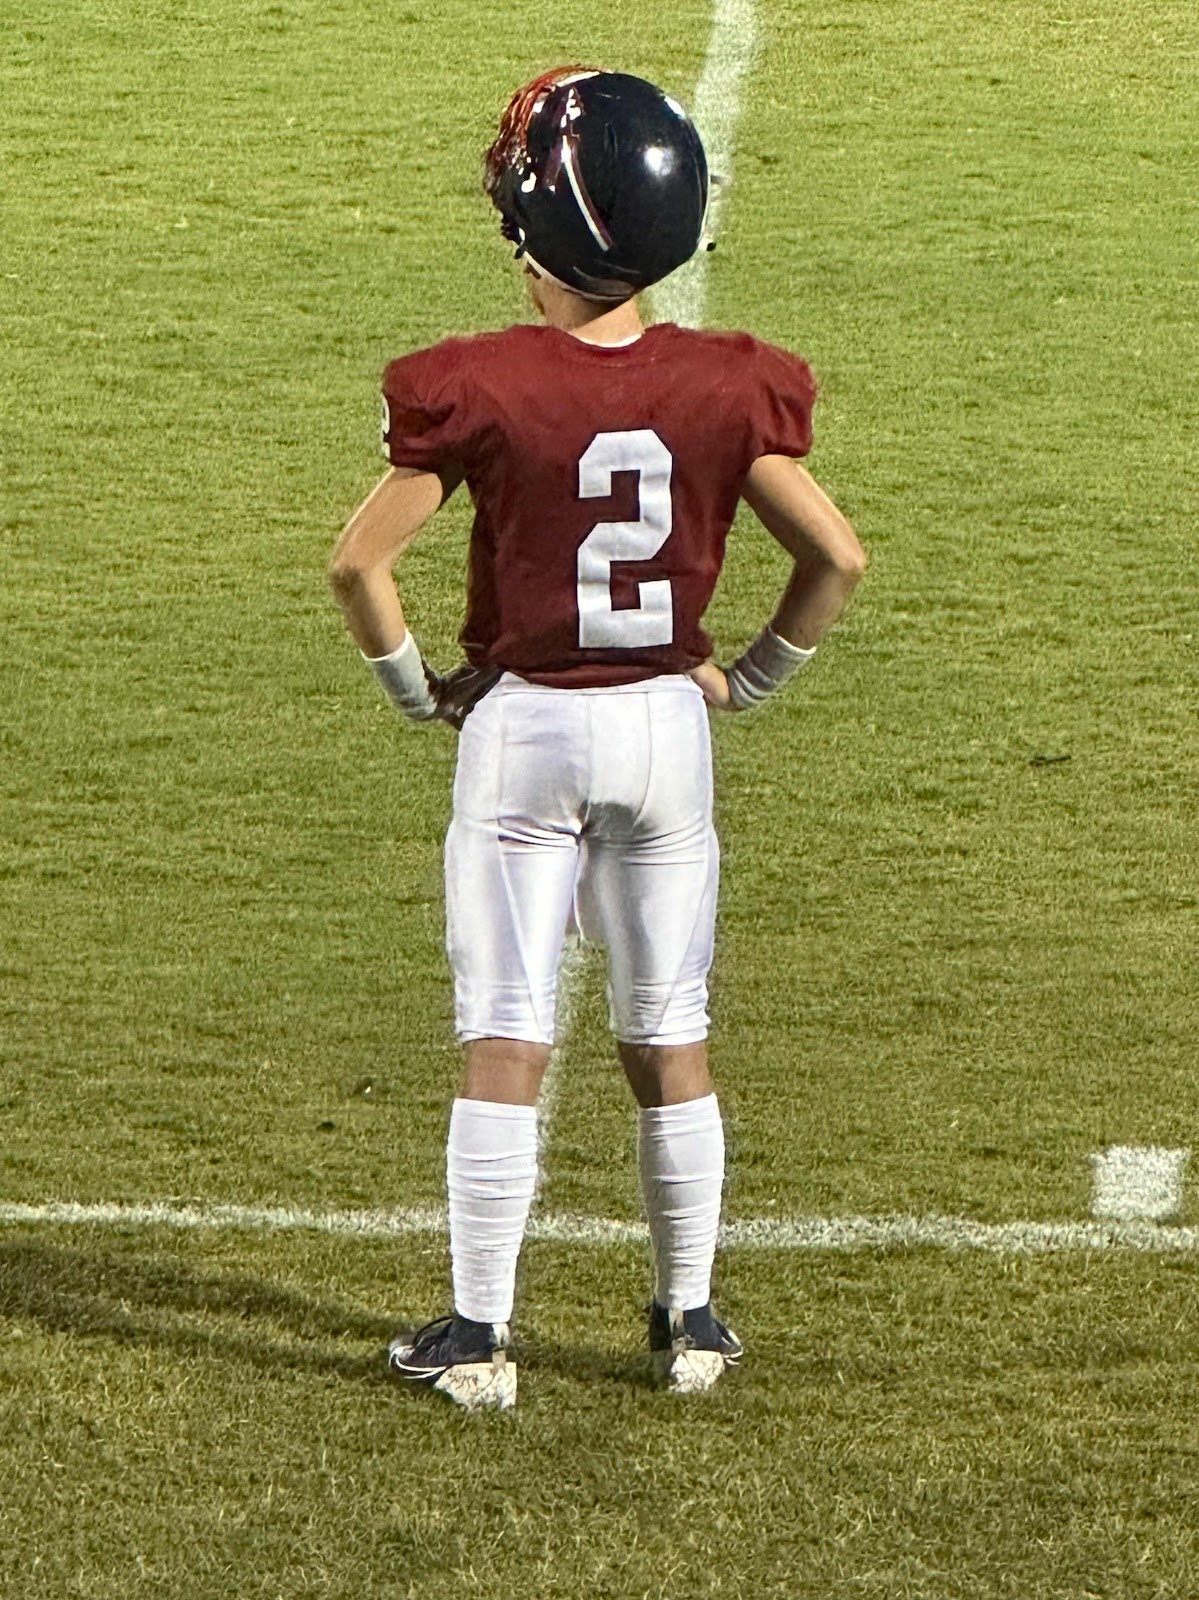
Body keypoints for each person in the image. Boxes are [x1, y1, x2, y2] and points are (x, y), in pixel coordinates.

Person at [329, 66, 866, 1411]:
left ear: (541, 229)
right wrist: (752, 677)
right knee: (669, 1036)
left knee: (506, 1038)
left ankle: (478, 1334)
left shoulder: (478, 382)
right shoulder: (729, 384)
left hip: (526, 731)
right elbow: (838, 559)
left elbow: (356, 566)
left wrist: (418, 692)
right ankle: (692, 1321)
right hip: (666, 733)